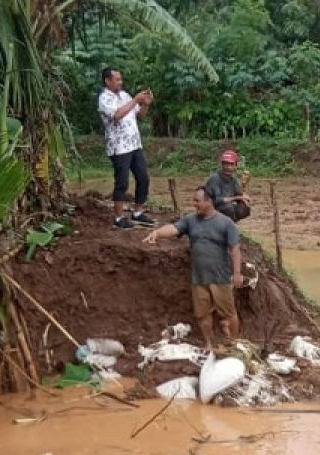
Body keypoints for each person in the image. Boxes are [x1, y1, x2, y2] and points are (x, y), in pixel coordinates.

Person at [144, 187, 243, 350]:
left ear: (209, 202)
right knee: (202, 314)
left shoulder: (226, 223)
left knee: (228, 312)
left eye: (197, 201)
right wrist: (157, 233)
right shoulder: (190, 220)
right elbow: (174, 228)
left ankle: (233, 343)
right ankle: (209, 344)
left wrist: (237, 274)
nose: (194, 204)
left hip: (220, 277)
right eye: (194, 200)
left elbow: (235, 250)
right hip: (199, 277)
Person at [98, 67, 156, 230]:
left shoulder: (124, 95)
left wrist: (145, 104)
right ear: (107, 81)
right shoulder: (104, 98)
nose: (120, 82)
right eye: (117, 79)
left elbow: (140, 115)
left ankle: (137, 213)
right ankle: (118, 217)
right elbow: (117, 115)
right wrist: (136, 100)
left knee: (143, 178)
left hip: (134, 145)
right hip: (119, 148)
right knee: (122, 182)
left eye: (120, 79)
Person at [205, 150, 253, 222]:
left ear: (235, 166)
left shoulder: (234, 180)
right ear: (222, 165)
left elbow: (239, 195)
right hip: (212, 208)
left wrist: (245, 198)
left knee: (244, 208)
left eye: (231, 164)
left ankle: (230, 225)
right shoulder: (215, 179)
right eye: (226, 164)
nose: (228, 167)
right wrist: (236, 198)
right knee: (228, 209)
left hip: (226, 207)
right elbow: (217, 200)